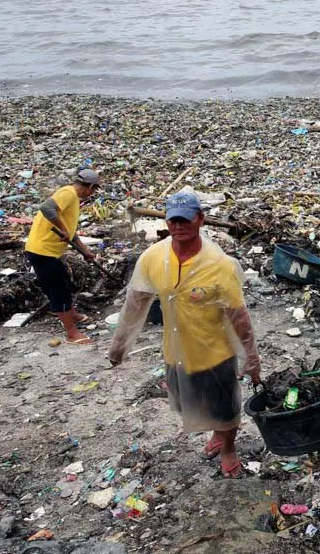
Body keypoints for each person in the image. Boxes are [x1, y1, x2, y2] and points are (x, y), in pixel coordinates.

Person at [107, 191, 261, 477]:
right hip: (176, 351)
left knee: (225, 408)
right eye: (173, 220)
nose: (178, 226)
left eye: (185, 220)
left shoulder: (219, 264)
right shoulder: (153, 257)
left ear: (201, 219)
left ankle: (228, 447)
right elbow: (135, 303)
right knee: (192, 402)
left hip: (215, 353)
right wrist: (119, 345)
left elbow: (238, 315)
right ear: (167, 221)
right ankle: (217, 433)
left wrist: (251, 357)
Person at [24, 168, 101, 345]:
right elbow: (46, 208)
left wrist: (85, 251)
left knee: (65, 281)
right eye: (94, 190)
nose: (92, 194)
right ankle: (71, 333)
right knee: (59, 290)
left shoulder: (72, 198)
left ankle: (72, 314)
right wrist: (63, 228)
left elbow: (71, 232)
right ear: (90, 187)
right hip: (42, 251)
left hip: (48, 251)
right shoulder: (69, 193)